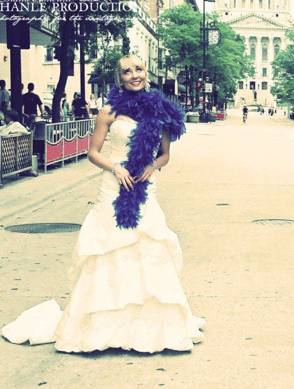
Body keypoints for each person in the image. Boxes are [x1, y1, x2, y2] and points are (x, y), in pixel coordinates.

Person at [2, 54, 205, 353]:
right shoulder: (108, 111)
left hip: (143, 185)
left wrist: (152, 167)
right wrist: (116, 167)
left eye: (138, 69)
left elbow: (165, 154)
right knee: (107, 244)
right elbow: (92, 152)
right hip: (114, 183)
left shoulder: (161, 111)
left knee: (147, 244)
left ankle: (146, 326)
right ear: (119, 77)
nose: (134, 75)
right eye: (127, 71)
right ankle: (102, 326)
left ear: (146, 73)